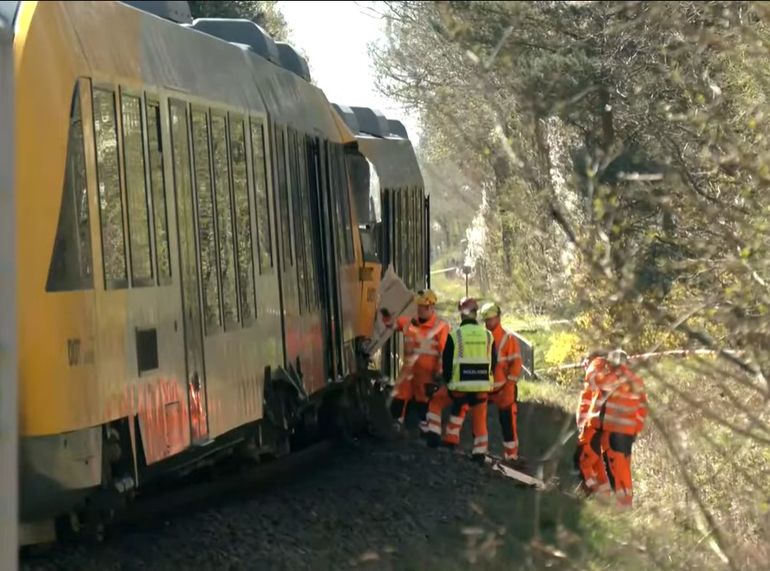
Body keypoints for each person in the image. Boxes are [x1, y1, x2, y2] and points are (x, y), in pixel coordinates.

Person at [424, 297, 496, 464]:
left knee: (436, 402)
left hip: (459, 387)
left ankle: (433, 435)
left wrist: (447, 382)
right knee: (479, 419)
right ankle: (479, 453)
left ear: (461, 314)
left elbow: (447, 363)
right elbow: (493, 361)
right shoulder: (488, 335)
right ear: (476, 314)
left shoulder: (455, 335)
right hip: (481, 387)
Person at [577, 349, 648, 507]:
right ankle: (622, 505)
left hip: (612, 430)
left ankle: (615, 504)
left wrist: (595, 363)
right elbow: (643, 408)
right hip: (625, 433)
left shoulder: (613, 377)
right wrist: (635, 430)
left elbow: (594, 380)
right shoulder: (636, 380)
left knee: (609, 467)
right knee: (621, 470)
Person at [381, 289, 450, 433]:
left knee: (424, 404)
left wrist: (440, 372)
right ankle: (396, 428)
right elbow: (393, 325)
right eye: (418, 306)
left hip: (427, 375)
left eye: (423, 306)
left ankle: (425, 432)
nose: (420, 309)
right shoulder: (409, 322)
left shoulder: (440, 326)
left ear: (431, 307)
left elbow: (444, 351)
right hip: (408, 372)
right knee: (399, 399)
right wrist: (386, 317)